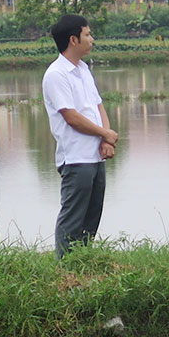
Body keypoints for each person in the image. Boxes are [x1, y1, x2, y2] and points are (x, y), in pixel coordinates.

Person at [42, 14, 118, 257]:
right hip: (76, 157)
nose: (91, 38)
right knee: (73, 217)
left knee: (92, 215)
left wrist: (106, 139)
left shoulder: (83, 69)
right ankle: (65, 268)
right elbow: (71, 117)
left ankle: (84, 263)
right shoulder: (56, 74)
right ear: (73, 39)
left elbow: (98, 106)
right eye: (87, 34)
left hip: (95, 156)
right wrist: (105, 133)